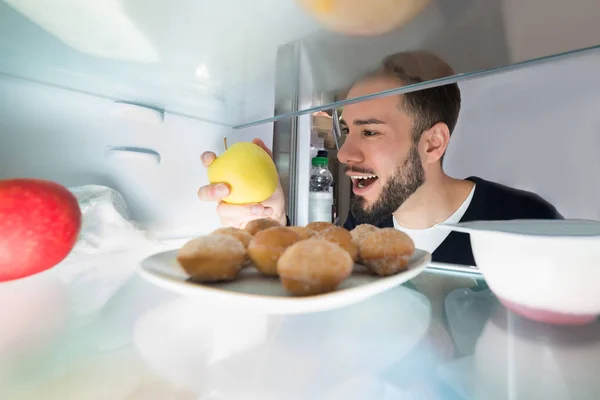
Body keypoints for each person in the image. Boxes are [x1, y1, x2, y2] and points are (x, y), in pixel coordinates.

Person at [198, 51, 562, 267]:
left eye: (369, 131)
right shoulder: (361, 225)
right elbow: (313, 280)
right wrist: (272, 218)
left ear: (432, 143)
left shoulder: (529, 223)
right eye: (348, 129)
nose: (344, 153)